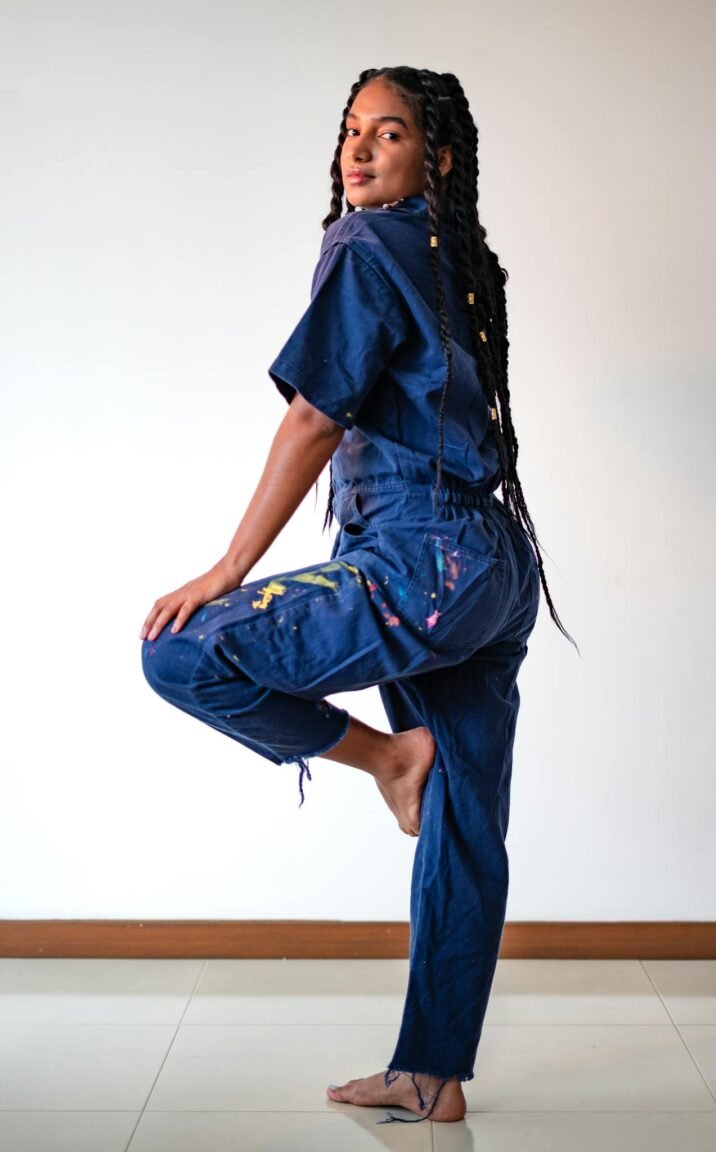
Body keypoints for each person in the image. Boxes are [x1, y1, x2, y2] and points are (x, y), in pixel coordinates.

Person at [140, 66, 577, 1124]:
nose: (361, 149)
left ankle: (387, 760)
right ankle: (434, 1074)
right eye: (351, 132)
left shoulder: (366, 245)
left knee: (185, 650)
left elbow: (312, 419)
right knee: (466, 823)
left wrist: (227, 569)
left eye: (390, 133)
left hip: (425, 561)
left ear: (440, 158)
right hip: (495, 566)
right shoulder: (451, 259)